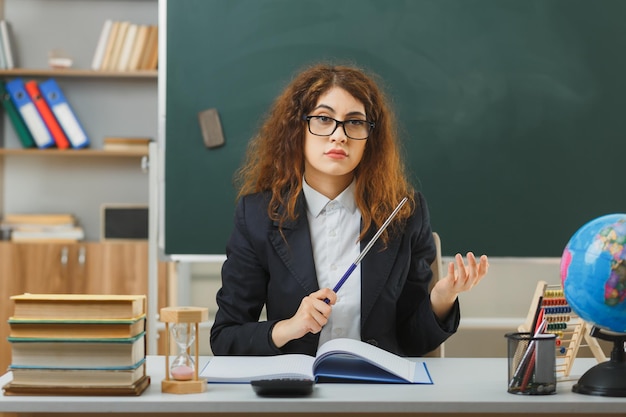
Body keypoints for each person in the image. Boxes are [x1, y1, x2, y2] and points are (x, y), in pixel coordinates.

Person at [210, 63, 489, 357]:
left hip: (377, 394)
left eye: (354, 122)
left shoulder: (404, 214)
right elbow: (226, 337)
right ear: (298, 128)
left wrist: (442, 299)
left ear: (371, 138)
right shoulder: (257, 217)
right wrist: (290, 327)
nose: (339, 135)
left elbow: (412, 341)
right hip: (297, 395)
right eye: (323, 118)